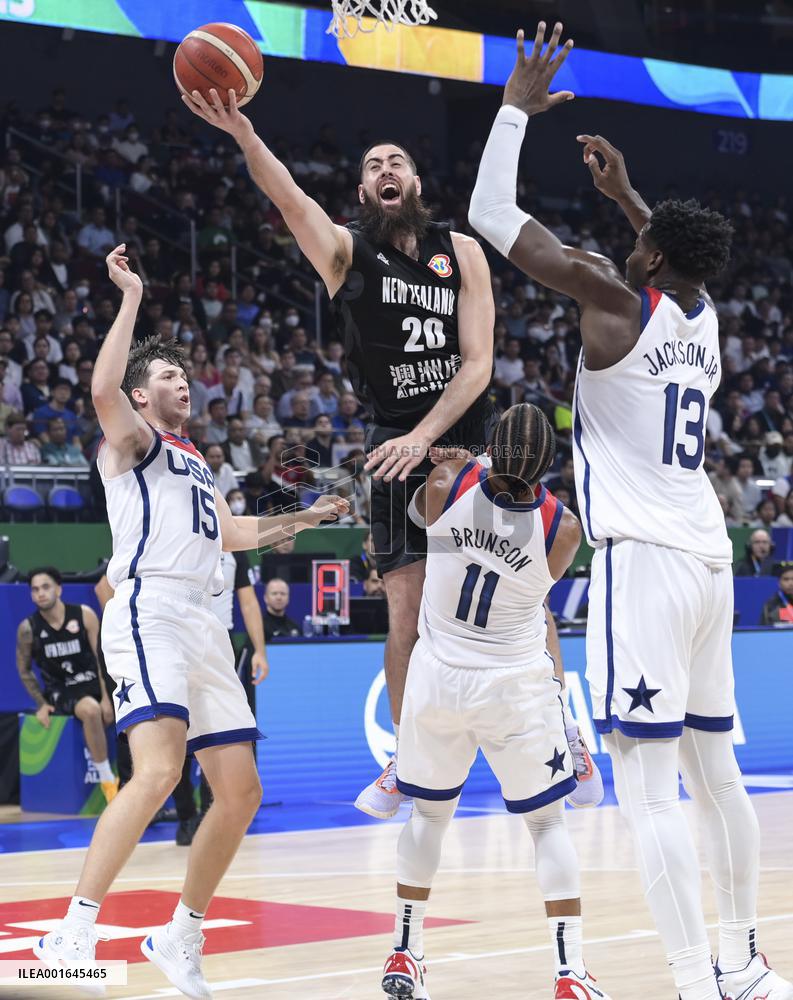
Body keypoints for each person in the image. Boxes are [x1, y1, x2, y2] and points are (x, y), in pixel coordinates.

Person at [467, 22, 792, 1000]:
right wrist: (627, 199)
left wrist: (515, 106)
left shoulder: (613, 298)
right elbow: (674, 260)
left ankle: (693, 979)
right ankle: (745, 963)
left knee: (646, 788)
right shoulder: (704, 319)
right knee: (717, 777)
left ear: (643, 253)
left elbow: (489, 210)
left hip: (643, 564)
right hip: (706, 558)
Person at [32, 245, 349, 995]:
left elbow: (231, 535)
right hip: (148, 608)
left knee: (240, 792)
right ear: (143, 398)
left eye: (183, 373)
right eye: (168, 376)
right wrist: (132, 297)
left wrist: (304, 517)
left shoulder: (195, 460)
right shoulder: (132, 443)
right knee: (160, 770)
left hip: (204, 624)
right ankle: (71, 927)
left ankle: (181, 935)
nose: (184, 380)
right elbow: (103, 385)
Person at [183, 85, 497, 822]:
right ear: (363, 191)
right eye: (373, 165)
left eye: (398, 161)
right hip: (392, 454)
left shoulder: (464, 254)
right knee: (405, 615)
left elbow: (478, 363)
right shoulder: (346, 252)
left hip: (458, 446)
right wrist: (244, 134)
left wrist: (427, 436)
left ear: (415, 182)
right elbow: (290, 199)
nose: (386, 169)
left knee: (508, 596)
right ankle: (409, 760)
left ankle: (555, 733)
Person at [383, 404, 608, 1000]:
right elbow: (536, 573)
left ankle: (406, 953)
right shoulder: (563, 527)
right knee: (546, 824)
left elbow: (427, 514)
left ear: (490, 446)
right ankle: (569, 972)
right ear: (548, 466)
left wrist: (470, 463)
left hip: (438, 677)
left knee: (429, 816)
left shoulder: (442, 483)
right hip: (513, 684)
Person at [174, 546, 269, 847]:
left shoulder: (233, 551)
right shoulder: (181, 542)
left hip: (220, 645)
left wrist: (260, 651)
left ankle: (208, 813)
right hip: (181, 640)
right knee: (177, 735)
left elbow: (249, 602)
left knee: (218, 733)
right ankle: (185, 814)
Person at [16, 567, 117, 803]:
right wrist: (40, 703)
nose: (40, 593)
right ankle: (107, 781)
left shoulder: (84, 615)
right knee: (91, 710)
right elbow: (24, 670)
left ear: (59, 589)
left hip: (94, 681)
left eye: (46, 587)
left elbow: (102, 658)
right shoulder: (28, 628)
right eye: (35, 589)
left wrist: (107, 697)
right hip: (61, 691)